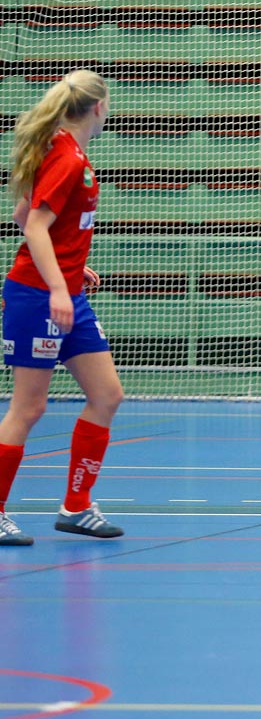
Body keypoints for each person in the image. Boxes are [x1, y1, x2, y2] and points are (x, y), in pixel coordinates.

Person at [0, 69, 126, 546]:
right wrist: (56, 285)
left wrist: (72, 270)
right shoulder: (67, 157)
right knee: (28, 407)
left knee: (107, 394)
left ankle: (76, 507)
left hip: (66, 292)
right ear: (98, 107)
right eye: (109, 103)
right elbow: (33, 225)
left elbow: (21, 213)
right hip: (37, 297)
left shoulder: (66, 150)